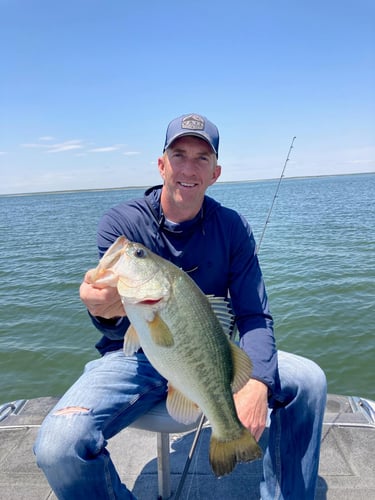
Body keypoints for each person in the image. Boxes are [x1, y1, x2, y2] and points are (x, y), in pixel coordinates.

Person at [34, 113, 327, 499]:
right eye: (178, 154)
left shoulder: (233, 227)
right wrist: (103, 309)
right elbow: (113, 327)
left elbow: (254, 315)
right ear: (161, 164)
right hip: (133, 358)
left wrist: (256, 381)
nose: (188, 168)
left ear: (215, 173)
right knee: (58, 445)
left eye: (201, 159)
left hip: (211, 355)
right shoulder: (123, 224)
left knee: (308, 381)